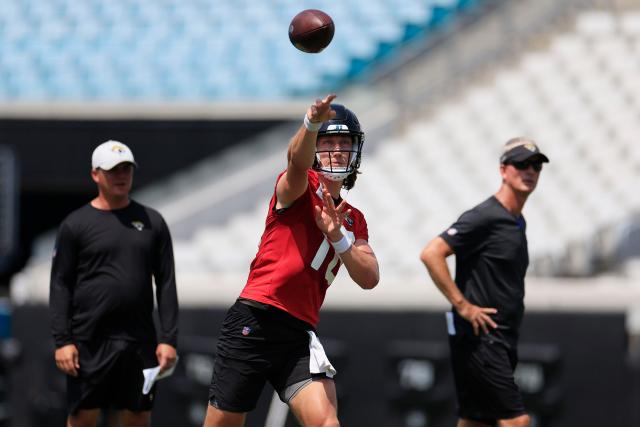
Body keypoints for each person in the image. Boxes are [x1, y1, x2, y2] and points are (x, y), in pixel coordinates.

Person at [203, 94, 380, 427]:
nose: (338, 149)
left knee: (327, 423)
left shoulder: (354, 219)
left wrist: (337, 236)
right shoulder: (302, 186)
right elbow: (295, 162)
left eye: (345, 142)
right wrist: (311, 123)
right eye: (329, 141)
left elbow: (369, 276)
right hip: (256, 320)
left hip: (298, 333)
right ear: (316, 146)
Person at [420, 137, 549, 427]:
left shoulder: (517, 220)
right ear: (504, 170)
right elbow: (432, 253)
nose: (530, 171)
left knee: (476, 421)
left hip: (499, 338)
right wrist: (463, 305)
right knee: (517, 421)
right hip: (482, 338)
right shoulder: (485, 216)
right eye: (522, 164)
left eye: (537, 165)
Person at [49, 140, 179, 427]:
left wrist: (169, 339)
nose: (121, 176)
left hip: (138, 340)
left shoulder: (152, 222)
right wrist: (63, 341)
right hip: (89, 340)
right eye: (113, 170)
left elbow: (166, 282)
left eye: (126, 169)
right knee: (83, 416)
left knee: (138, 415)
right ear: (95, 174)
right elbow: (60, 284)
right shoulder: (76, 224)